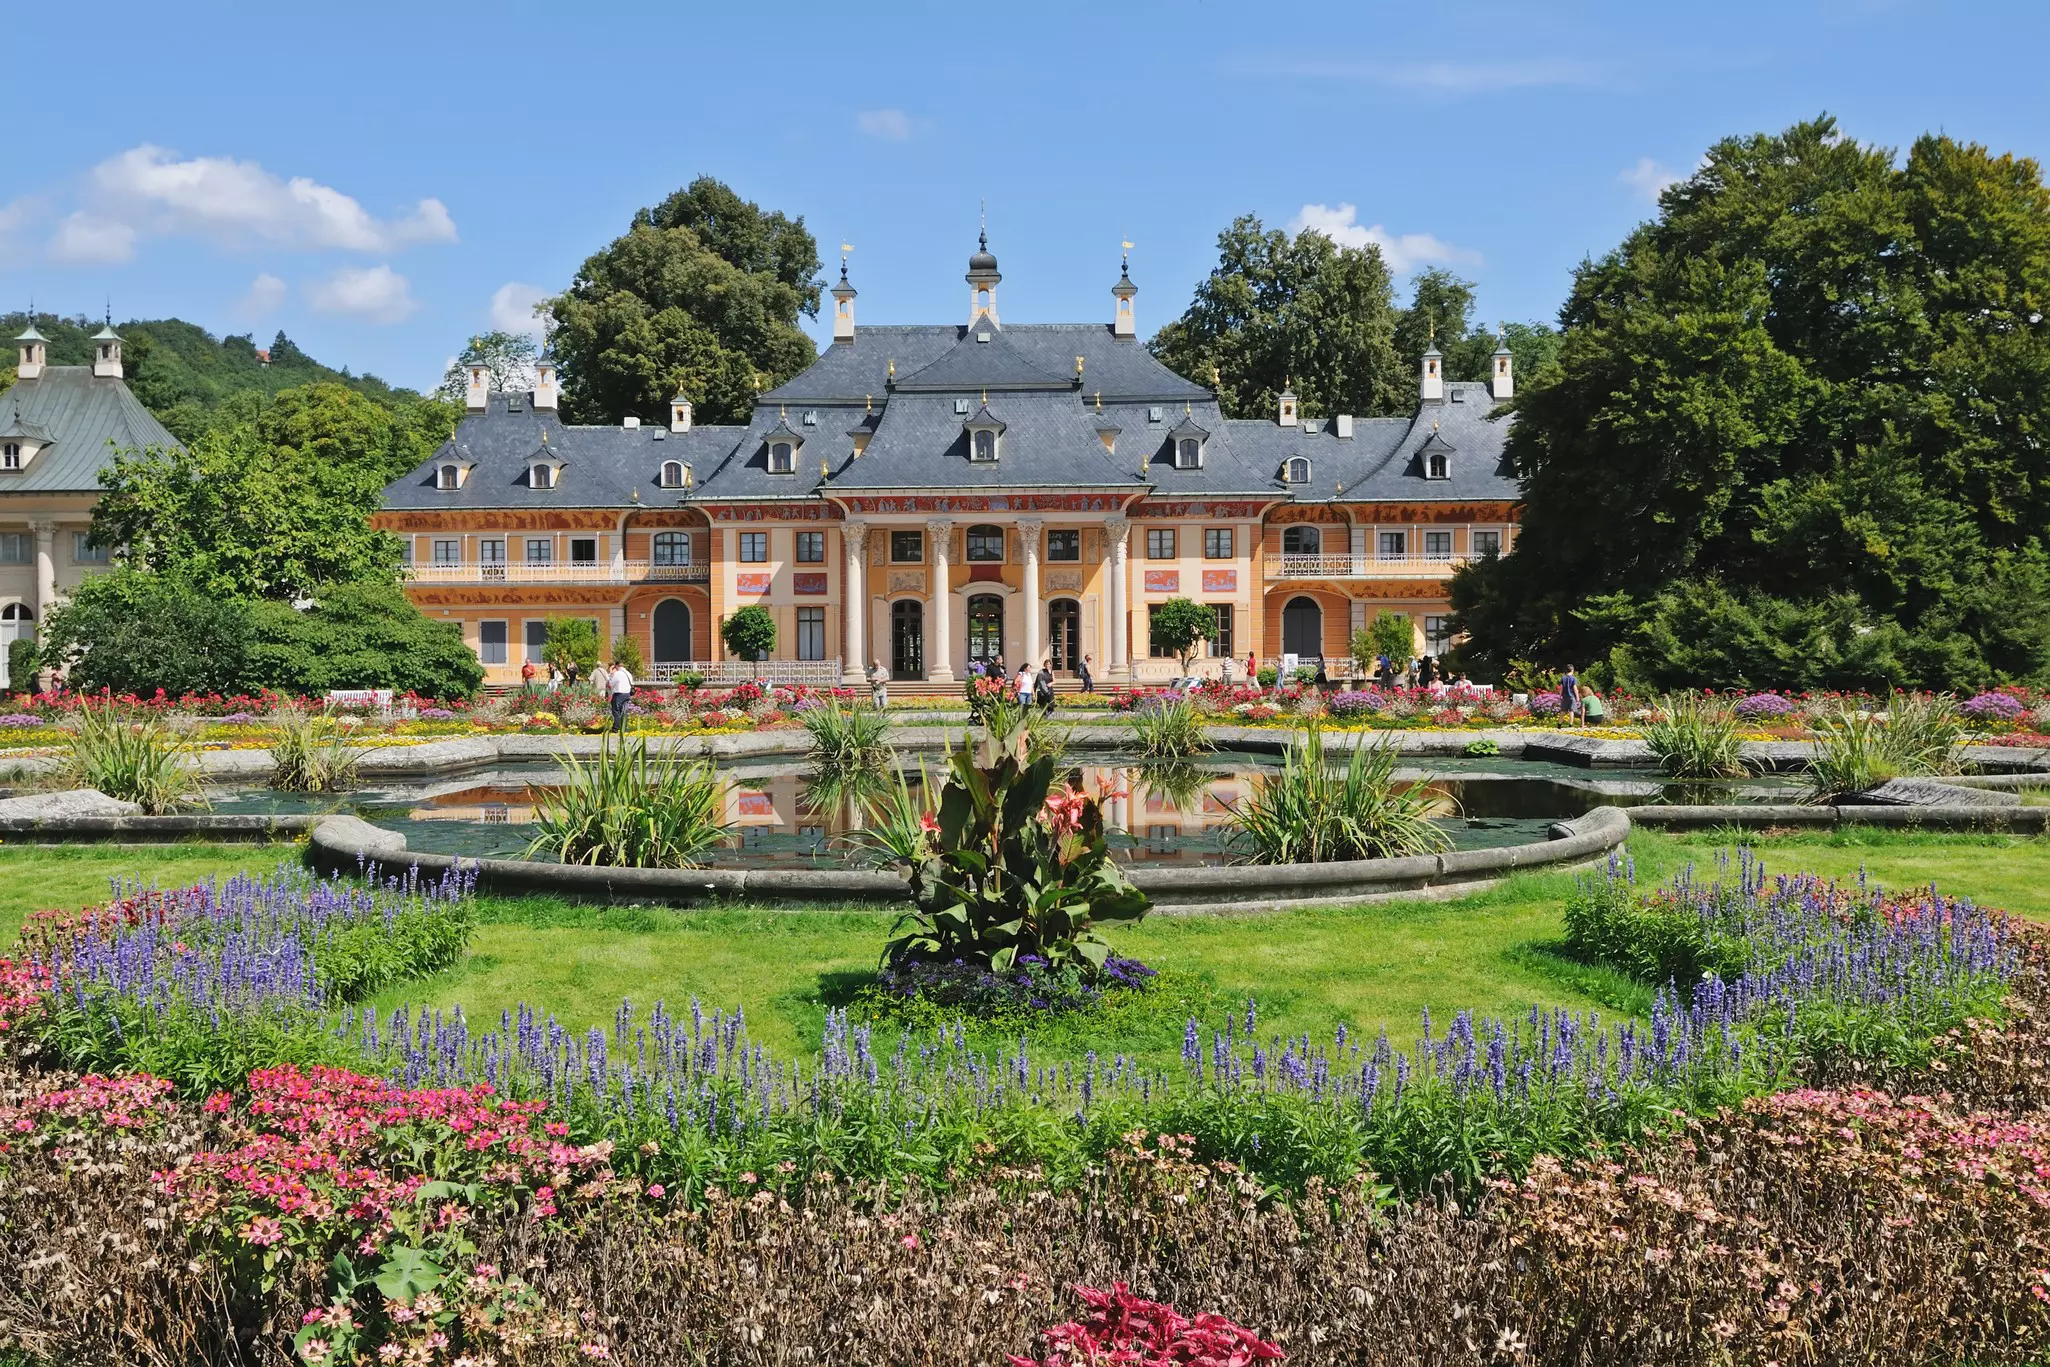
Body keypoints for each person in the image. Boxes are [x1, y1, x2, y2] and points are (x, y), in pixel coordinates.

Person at [608, 657, 633, 734]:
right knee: (624, 711)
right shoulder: (628, 673)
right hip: (627, 694)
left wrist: (611, 673)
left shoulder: (617, 674)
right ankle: (625, 727)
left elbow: (611, 684)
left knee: (616, 711)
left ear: (616, 666)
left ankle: (616, 727)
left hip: (619, 694)